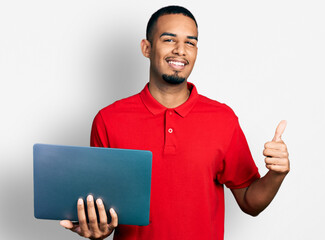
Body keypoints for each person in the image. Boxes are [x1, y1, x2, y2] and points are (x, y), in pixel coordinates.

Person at [60, 5, 290, 240]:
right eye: (169, 40)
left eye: (190, 42)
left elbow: (250, 203)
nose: (181, 50)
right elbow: (101, 212)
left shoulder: (223, 119)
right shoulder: (108, 120)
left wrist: (276, 174)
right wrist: (98, 230)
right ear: (146, 48)